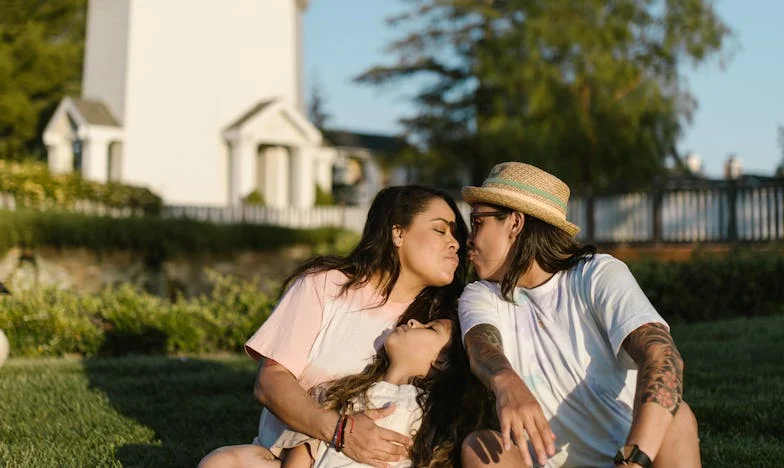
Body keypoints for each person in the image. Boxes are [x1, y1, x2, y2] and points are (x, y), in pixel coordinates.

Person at [200, 185, 469, 468]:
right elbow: (271, 381)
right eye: (440, 231)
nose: (455, 243)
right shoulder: (326, 286)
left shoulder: (443, 324)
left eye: (456, 235)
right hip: (288, 456)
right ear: (397, 233)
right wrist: (340, 431)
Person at [457, 162, 700, 468]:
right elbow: (481, 346)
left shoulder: (596, 274)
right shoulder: (481, 295)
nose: (469, 238)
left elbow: (663, 355)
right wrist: (505, 380)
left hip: (629, 455)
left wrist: (633, 460)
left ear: (515, 224)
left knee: (677, 416)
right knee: (481, 447)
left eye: (478, 222)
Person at [270, 316, 460, 468]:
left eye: (430, 328)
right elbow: (307, 443)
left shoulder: (429, 410)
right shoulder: (347, 391)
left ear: (442, 361)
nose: (413, 322)